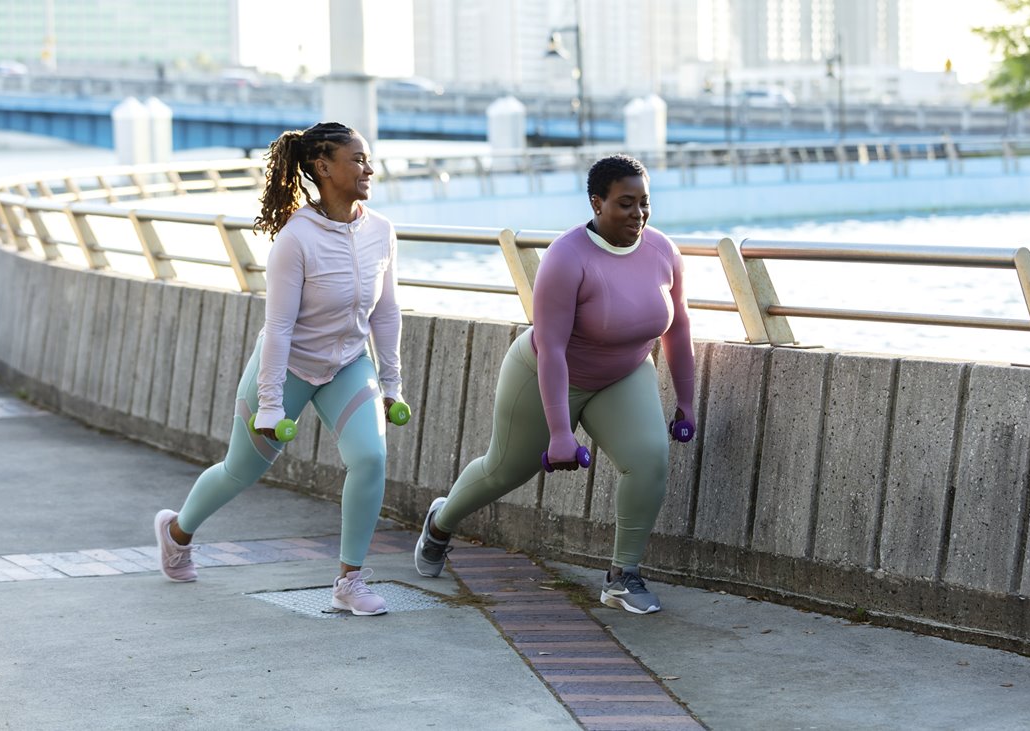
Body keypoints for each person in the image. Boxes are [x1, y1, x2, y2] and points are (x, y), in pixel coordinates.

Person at [413, 154, 695, 614]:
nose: (638, 215)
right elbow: (553, 349)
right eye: (625, 204)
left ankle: (623, 577)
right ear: (596, 202)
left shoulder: (662, 250)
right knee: (504, 470)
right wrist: (561, 432)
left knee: (649, 461)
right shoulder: (567, 258)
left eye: (645, 203)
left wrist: (686, 401)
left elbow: (677, 326)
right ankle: (441, 522)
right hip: (545, 372)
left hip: (623, 374)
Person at [153, 122, 403, 616]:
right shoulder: (295, 239)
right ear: (322, 167)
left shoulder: (381, 231)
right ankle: (177, 531)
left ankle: (349, 580)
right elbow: (280, 328)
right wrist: (270, 405)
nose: (368, 168)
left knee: (371, 458)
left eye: (368, 158)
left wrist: (391, 382)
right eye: (357, 159)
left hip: (349, 364)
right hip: (289, 366)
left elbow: (386, 312)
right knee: (240, 471)